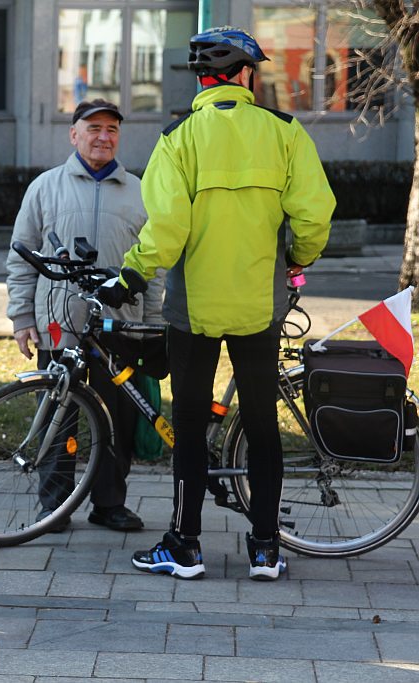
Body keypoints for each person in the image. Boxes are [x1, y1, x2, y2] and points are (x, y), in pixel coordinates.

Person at [98, 27, 335, 580]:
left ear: (203, 77)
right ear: (246, 75)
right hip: (261, 306)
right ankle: (266, 548)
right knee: (261, 424)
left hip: (194, 309)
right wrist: (298, 256)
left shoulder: (178, 138)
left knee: (189, 423)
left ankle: (185, 545)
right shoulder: (284, 132)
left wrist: (131, 274)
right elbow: (315, 214)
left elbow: (167, 230)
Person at [6, 98, 163, 534]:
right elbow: (21, 256)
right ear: (74, 134)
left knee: (117, 419)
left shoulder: (140, 190)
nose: (103, 137)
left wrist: (151, 324)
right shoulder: (45, 187)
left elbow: (156, 266)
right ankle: (54, 507)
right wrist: (21, 316)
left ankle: (109, 504)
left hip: (121, 326)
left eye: (112, 129)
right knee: (59, 418)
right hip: (60, 324)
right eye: (93, 128)